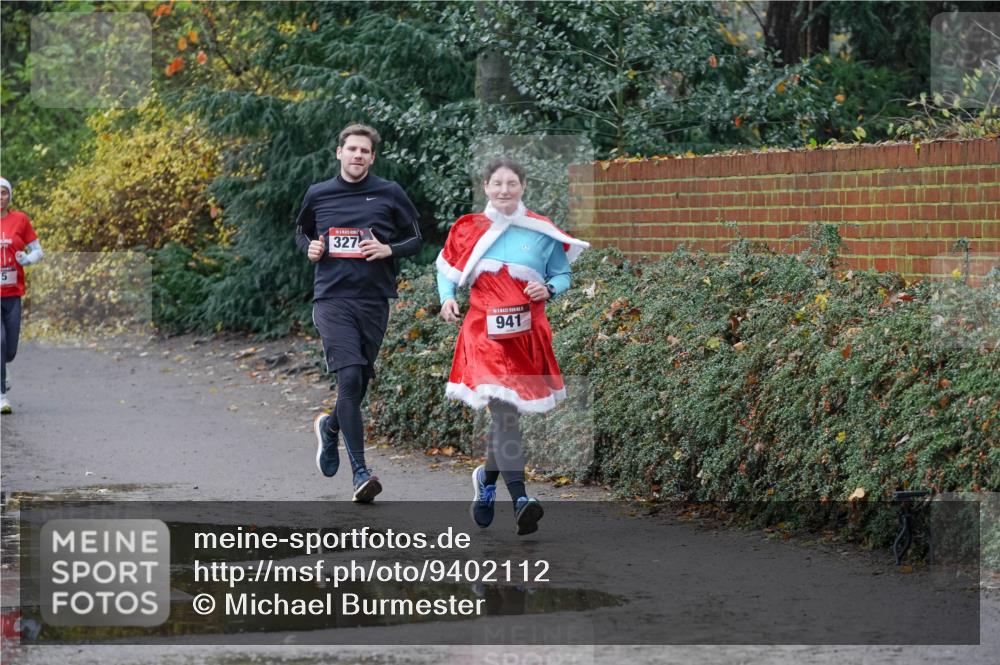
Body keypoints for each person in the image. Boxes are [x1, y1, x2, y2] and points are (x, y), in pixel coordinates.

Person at [436, 157, 588, 535]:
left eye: (512, 184)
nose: (505, 190)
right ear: (485, 186)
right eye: (497, 183)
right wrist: (447, 298)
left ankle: (487, 482)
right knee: (504, 414)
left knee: (508, 418)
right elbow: (446, 269)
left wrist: (549, 288)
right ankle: (520, 498)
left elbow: (563, 273)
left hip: (525, 332)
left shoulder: (539, 230)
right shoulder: (468, 228)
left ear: (523, 187)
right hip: (482, 332)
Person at [295, 124, 422, 503]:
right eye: (351, 149)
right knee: (349, 378)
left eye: (364, 151)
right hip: (332, 299)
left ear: (372, 157)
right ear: (339, 153)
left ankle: (331, 428)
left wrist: (389, 250)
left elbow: (415, 238)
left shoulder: (389, 193)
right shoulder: (318, 194)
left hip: (373, 301)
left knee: (360, 383)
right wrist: (310, 249)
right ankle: (361, 474)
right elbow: (301, 232)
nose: (357, 156)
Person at [0, 177, 44, 415]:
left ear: (10, 196)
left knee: (10, 350)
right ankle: (1, 397)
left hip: (13, 292)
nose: (0, 197)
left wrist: (28, 259)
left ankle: (3, 370)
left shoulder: (20, 220)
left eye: (3, 193)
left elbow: (38, 251)